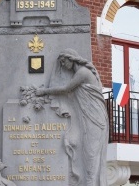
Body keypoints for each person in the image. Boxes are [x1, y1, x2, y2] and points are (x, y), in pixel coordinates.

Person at [36, 48, 108, 186]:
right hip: (88, 116)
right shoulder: (80, 72)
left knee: (91, 154)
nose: (63, 65)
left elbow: (66, 89)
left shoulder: (82, 73)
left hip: (95, 118)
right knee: (88, 154)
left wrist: (44, 91)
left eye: (63, 61)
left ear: (71, 58)